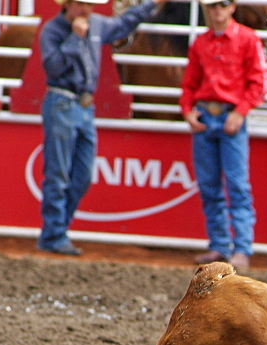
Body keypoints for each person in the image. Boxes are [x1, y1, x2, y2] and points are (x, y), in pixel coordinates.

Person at [37, 0, 165, 256]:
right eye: (83, 5)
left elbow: (122, 24)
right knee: (59, 173)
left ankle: (56, 230)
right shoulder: (52, 30)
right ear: (70, 5)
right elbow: (53, 67)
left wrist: (150, 4)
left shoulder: (94, 24)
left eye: (89, 5)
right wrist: (75, 38)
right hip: (62, 101)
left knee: (81, 175)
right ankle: (54, 234)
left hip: (82, 106)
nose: (87, 10)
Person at [180, 0, 267, 273]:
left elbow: (259, 82)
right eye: (212, 6)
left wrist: (240, 111)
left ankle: (240, 247)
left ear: (231, 7)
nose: (216, 10)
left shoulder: (247, 39)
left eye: (221, 5)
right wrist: (187, 110)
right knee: (210, 185)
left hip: (229, 115)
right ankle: (222, 245)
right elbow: (189, 82)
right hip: (208, 116)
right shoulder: (201, 43)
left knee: (236, 185)